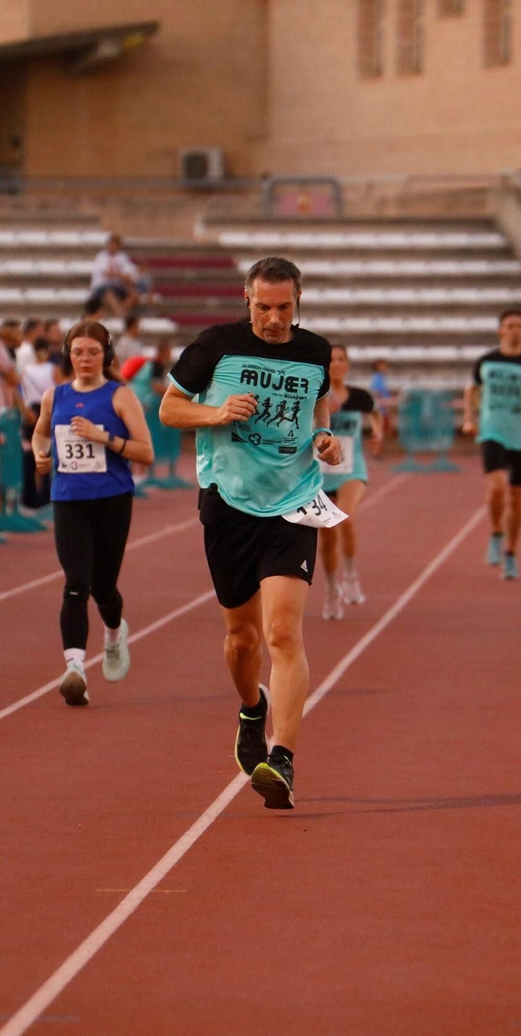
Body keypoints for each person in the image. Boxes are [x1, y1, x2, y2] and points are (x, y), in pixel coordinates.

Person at [159, 256, 343, 810]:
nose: (274, 319)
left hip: (293, 503)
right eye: (264, 307)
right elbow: (169, 410)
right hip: (229, 505)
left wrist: (326, 436)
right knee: (242, 640)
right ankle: (251, 709)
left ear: (299, 299)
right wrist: (215, 414)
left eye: (284, 307)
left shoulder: (314, 351)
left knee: (283, 633)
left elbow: (319, 404)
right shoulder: (215, 345)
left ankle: (282, 758)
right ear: (247, 298)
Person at [32, 320, 154, 707]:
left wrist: (105, 437)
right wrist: (40, 452)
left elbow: (146, 452)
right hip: (68, 498)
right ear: (68, 354)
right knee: (75, 582)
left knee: (103, 587)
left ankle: (115, 633)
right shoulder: (55, 395)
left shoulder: (120, 397)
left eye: (93, 352)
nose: (84, 359)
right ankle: (75, 669)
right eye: (78, 352)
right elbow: (39, 432)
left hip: (112, 499)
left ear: (106, 355)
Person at [463, 308, 521, 581]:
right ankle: (496, 533)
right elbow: (472, 389)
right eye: (510, 325)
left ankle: (511, 553)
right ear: (501, 330)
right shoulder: (486, 361)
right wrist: (469, 418)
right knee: (497, 487)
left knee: (517, 495)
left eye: (519, 326)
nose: (515, 330)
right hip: (492, 431)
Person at [317, 344, 381, 620]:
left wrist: (378, 432)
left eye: (341, 359)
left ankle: (351, 575)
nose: (337, 364)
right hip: (319, 474)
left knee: (347, 519)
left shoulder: (359, 396)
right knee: (327, 536)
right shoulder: (314, 397)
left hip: (351, 470)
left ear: (348, 365)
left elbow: (375, 414)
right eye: (331, 360)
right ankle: (332, 592)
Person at [90, 235, 142, 317]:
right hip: (103, 286)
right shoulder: (101, 257)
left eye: (115, 245)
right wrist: (120, 275)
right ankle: (119, 312)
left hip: (118, 286)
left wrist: (124, 277)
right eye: (111, 244)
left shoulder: (123, 257)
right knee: (109, 293)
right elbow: (106, 273)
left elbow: (129, 273)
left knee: (134, 295)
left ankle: (121, 309)